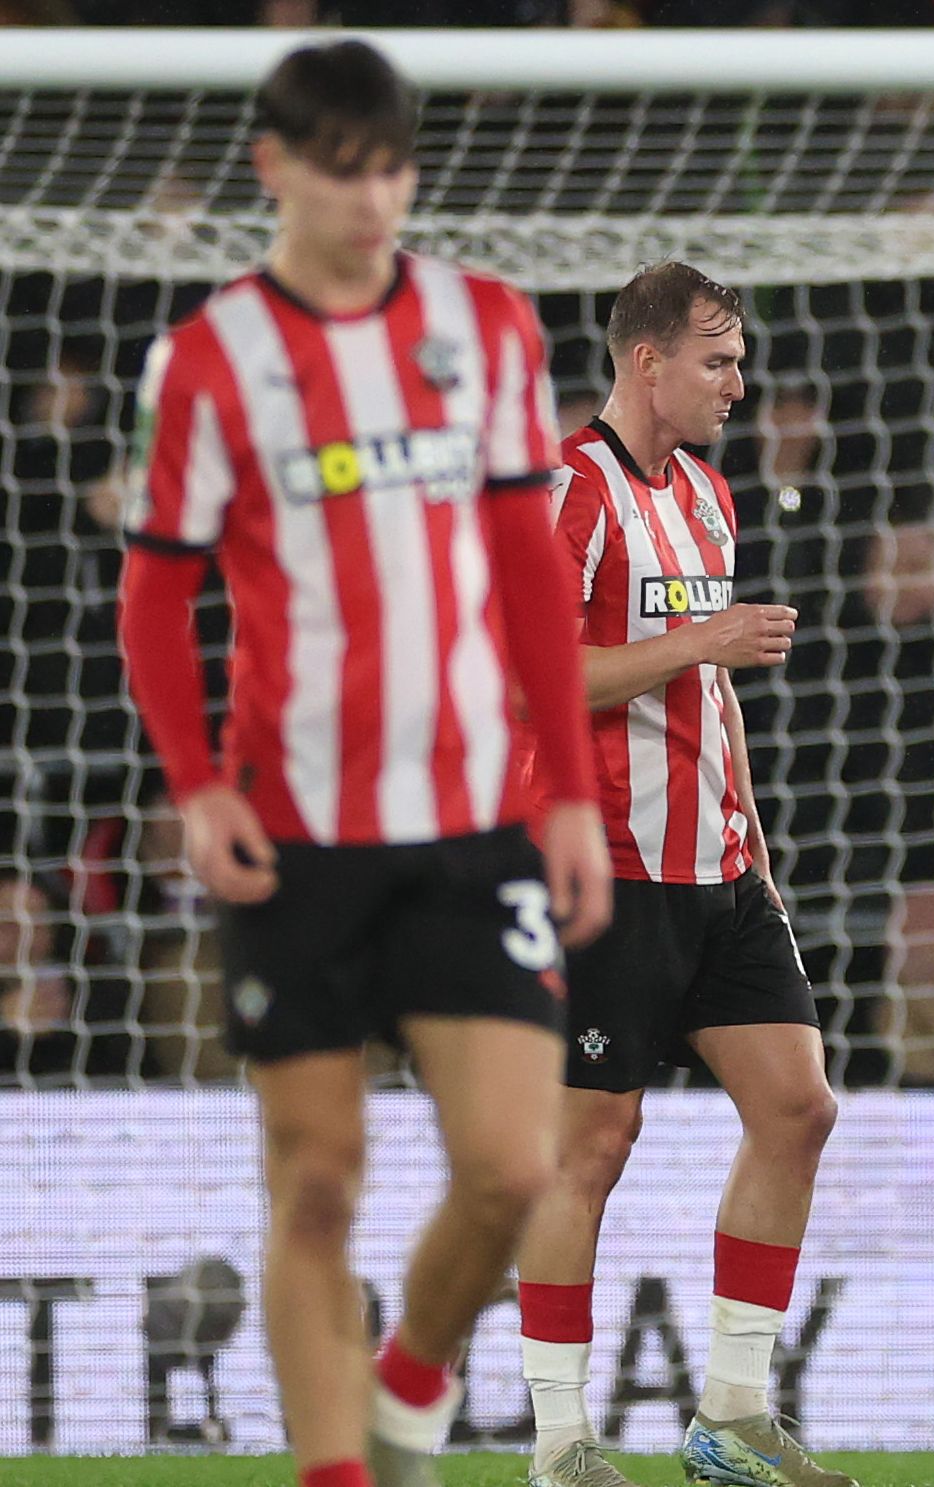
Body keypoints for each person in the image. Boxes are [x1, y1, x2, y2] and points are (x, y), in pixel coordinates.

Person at [113, 39, 611, 1487]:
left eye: (392, 167)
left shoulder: (488, 327)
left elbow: (527, 564)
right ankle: (346, 1470)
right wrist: (197, 780)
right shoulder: (215, 360)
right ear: (275, 168)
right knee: (317, 1180)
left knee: (516, 1168)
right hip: (296, 831)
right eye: (343, 169)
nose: (373, 198)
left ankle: (409, 1377)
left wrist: (568, 790)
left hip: (471, 820)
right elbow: (156, 590)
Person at [510, 263, 854, 1487]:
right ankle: (559, 1439)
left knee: (799, 1106)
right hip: (601, 864)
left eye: (738, 358)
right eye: (715, 358)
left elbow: (706, 689)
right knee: (592, 1140)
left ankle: (732, 1415)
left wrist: (751, 828)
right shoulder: (571, 488)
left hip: (715, 866)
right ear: (645, 359)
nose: (736, 382)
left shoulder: (709, 497)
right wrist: (703, 638)